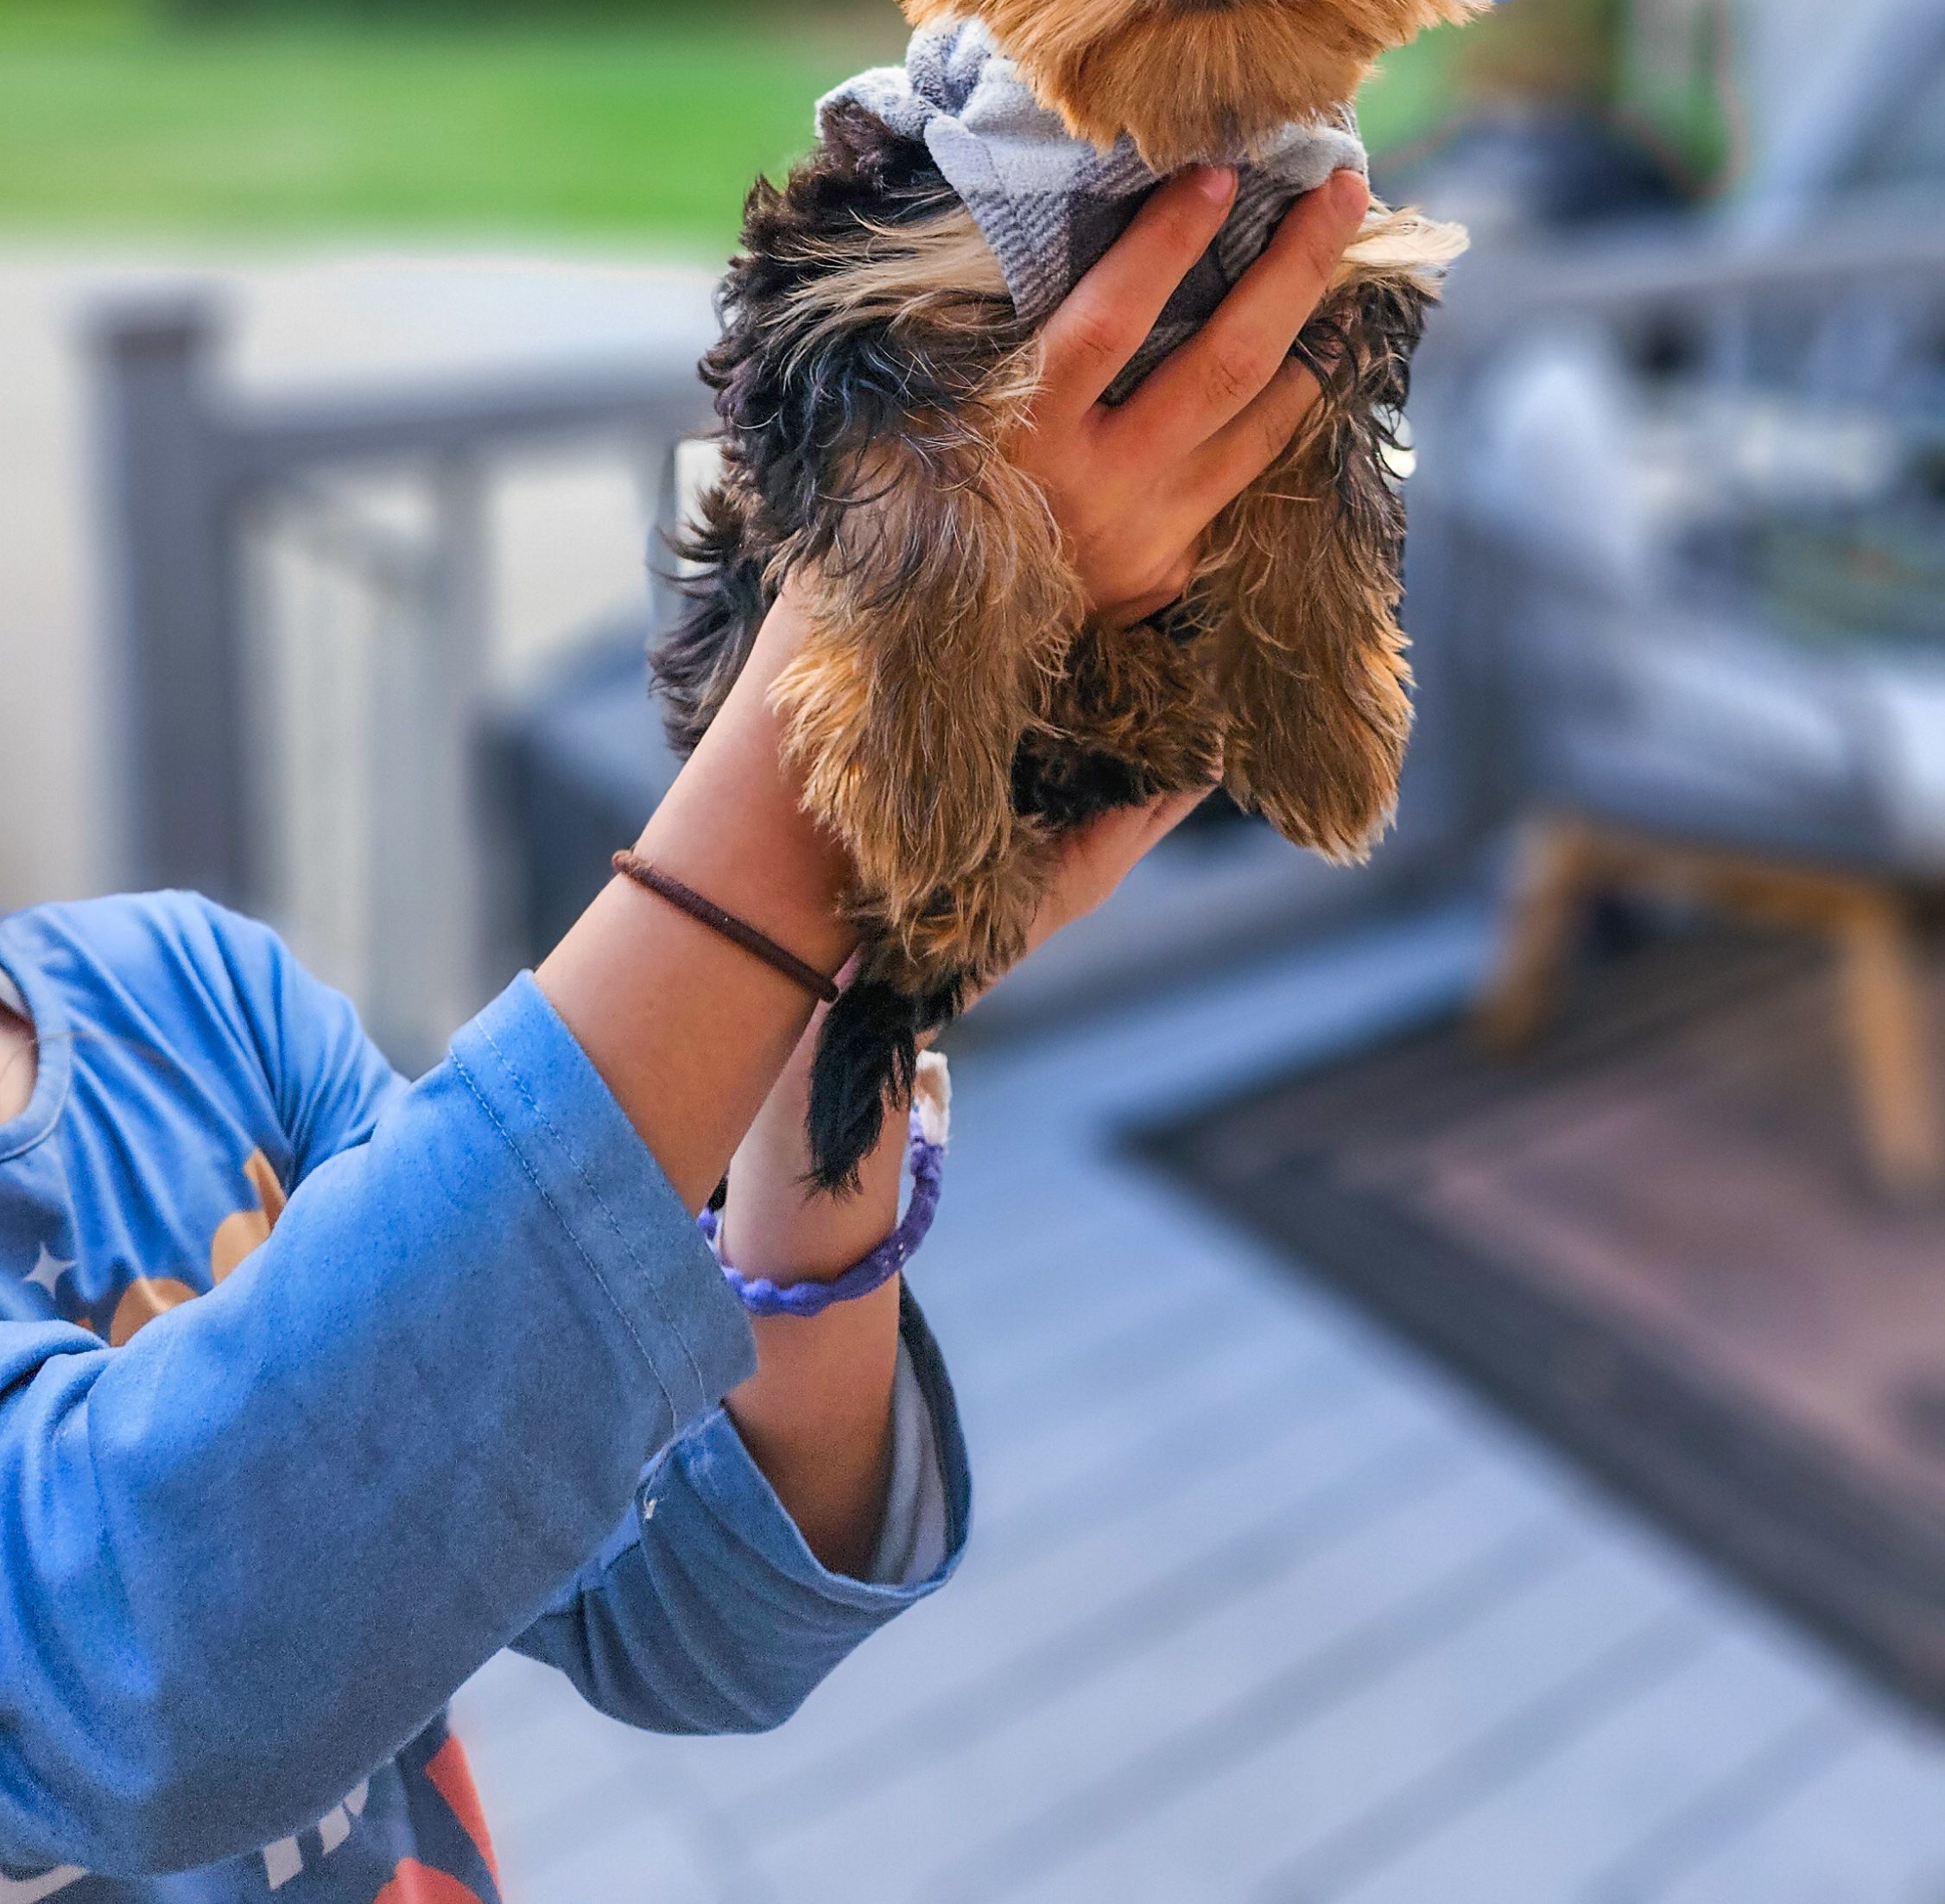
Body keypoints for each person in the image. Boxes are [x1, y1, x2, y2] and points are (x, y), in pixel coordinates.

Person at [0, 162, 1366, 1901]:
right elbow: (136, 1676)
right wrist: (859, 694)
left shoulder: (190, 996)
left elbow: (696, 1605)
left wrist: (857, 990)